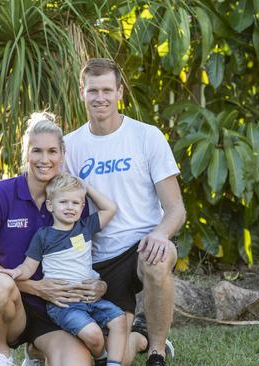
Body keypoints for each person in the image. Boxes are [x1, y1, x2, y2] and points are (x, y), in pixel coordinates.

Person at [64, 58, 186, 366]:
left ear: (120, 92)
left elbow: (176, 209)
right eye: (93, 90)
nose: (100, 98)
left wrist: (160, 234)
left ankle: (157, 352)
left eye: (107, 89)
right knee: (109, 356)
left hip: (142, 244)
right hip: (97, 258)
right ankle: (140, 336)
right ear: (82, 92)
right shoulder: (69, 147)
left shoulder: (146, 137)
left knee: (157, 260)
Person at [0, 112, 106, 366]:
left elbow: (84, 253)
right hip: (12, 307)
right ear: (26, 153)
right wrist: (34, 287)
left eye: (52, 151)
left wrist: (98, 285)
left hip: (59, 312)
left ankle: (35, 352)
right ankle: (1, 354)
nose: (45, 160)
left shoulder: (73, 201)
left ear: (62, 155)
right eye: (37, 151)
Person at [0, 173, 127, 366]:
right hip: (63, 305)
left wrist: (85, 187)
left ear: (82, 207)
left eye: (76, 203)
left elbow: (110, 208)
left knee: (120, 320)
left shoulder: (85, 227)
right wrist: (16, 273)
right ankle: (101, 357)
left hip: (91, 299)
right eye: (63, 202)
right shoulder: (44, 236)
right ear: (50, 206)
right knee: (94, 336)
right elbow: (29, 267)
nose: (70, 207)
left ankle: (113, 363)